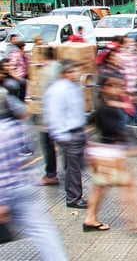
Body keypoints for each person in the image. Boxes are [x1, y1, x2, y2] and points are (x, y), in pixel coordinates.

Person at [84, 74, 137, 234]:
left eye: (122, 86)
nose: (121, 89)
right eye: (117, 86)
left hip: (102, 154)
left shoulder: (107, 105)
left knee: (101, 187)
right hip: (108, 156)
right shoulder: (107, 108)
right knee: (130, 187)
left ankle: (91, 218)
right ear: (107, 88)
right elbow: (118, 132)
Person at [0, 88, 68, 261]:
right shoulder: (16, 127)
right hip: (24, 186)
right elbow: (29, 151)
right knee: (44, 232)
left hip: (5, 191)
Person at [43, 60, 89, 209]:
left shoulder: (74, 87)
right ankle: (74, 198)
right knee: (72, 168)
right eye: (72, 71)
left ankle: (75, 193)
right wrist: (62, 136)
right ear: (65, 73)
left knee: (75, 166)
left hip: (77, 131)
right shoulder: (58, 90)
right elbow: (54, 115)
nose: (76, 74)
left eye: (76, 71)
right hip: (69, 134)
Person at [34, 47, 62, 186]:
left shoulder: (46, 71)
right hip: (61, 116)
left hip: (50, 116)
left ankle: (51, 175)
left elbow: (46, 95)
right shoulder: (60, 67)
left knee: (48, 144)